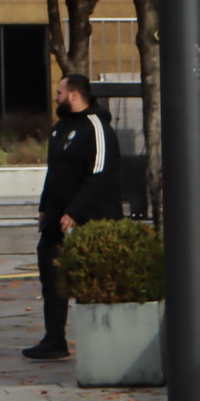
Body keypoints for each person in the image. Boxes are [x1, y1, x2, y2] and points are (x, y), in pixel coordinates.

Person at [26, 73, 121, 361]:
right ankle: (54, 338)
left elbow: (99, 175)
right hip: (56, 220)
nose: (56, 97)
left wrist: (74, 212)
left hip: (90, 219)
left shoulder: (97, 127)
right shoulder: (60, 129)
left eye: (59, 92)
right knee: (52, 276)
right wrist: (46, 206)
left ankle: (100, 340)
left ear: (74, 95)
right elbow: (54, 172)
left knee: (90, 280)